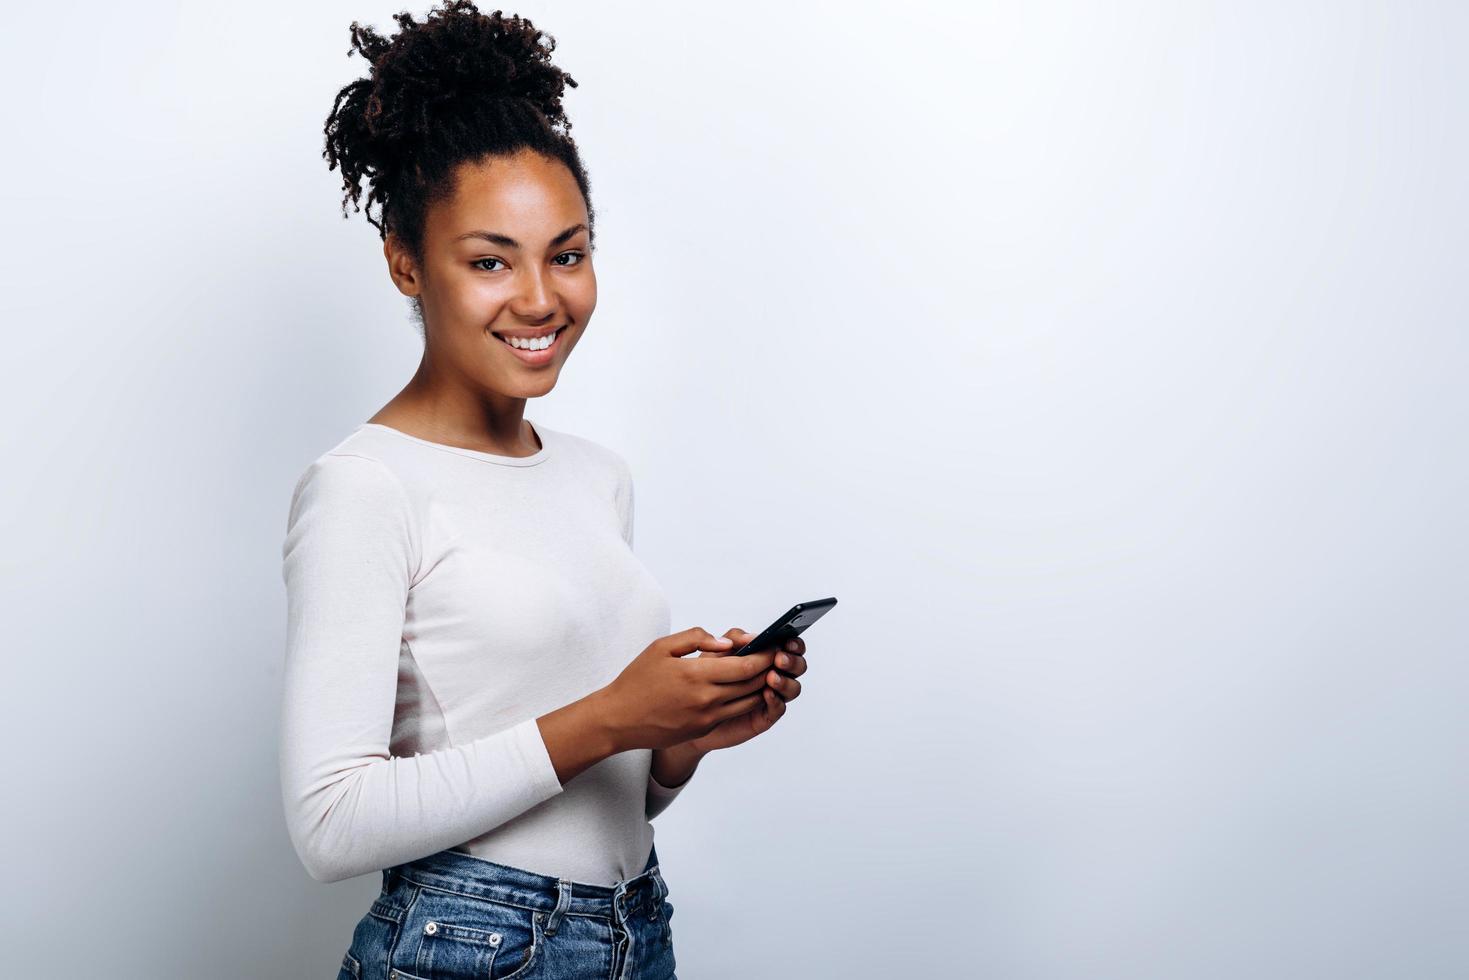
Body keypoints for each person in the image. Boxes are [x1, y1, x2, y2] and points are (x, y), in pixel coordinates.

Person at [278, 4, 809, 978]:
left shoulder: (597, 476)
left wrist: (680, 736)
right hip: (468, 943)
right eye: (489, 260)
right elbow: (330, 820)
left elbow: (604, 798)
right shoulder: (363, 487)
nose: (539, 298)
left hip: (633, 923)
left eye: (566, 252)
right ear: (405, 260)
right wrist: (612, 713)